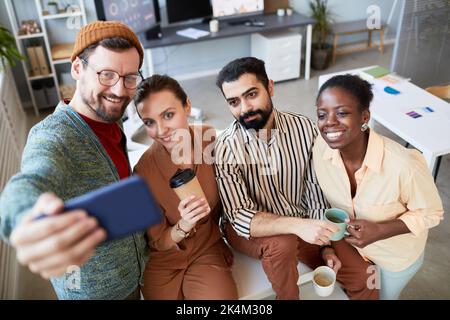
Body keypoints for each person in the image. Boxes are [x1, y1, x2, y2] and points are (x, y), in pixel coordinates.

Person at [0, 21, 148, 299]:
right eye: (106, 74)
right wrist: (25, 219)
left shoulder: (109, 119)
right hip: (95, 293)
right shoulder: (54, 137)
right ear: (77, 68)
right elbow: (30, 181)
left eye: (129, 77)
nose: (119, 90)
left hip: (134, 273)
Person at [214, 57, 379, 300]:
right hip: (251, 231)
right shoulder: (225, 148)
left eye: (251, 94)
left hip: (303, 222)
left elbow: (315, 191)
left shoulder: (305, 129)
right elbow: (239, 217)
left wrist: (325, 246)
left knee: (365, 277)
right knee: (283, 244)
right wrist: (297, 226)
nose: (244, 108)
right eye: (234, 102)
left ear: (270, 87)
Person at [313, 74, 444, 299]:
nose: (329, 122)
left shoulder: (404, 165)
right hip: (353, 249)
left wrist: (381, 230)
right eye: (322, 115)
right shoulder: (320, 149)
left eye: (342, 113)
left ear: (365, 116)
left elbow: (432, 212)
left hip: (394, 258)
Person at [133, 75, 238, 300]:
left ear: (187, 106)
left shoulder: (209, 139)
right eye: (149, 122)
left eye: (168, 115)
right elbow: (157, 241)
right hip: (164, 258)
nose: (161, 130)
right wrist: (183, 225)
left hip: (205, 248)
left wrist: (220, 237)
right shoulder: (143, 172)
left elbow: (226, 198)